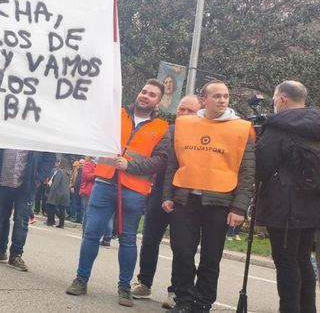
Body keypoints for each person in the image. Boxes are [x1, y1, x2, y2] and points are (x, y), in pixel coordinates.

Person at [66, 79, 171, 307]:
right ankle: (81, 279)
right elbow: (95, 138)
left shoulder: (162, 128)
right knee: (91, 234)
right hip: (104, 182)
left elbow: (161, 162)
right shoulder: (115, 115)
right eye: (144, 91)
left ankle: (124, 287)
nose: (145, 96)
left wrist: (129, 166)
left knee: (128, 239)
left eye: (152, 94)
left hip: (134, 190)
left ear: (158, 102)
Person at [162, 80, 255, 312]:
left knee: (211, 258)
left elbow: (246, 172)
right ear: (204, 100)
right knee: (182, 252)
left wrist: (239, 208)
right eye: (217, 96)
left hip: (220, 202)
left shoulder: (241, 129)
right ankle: (183, 300)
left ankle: (202, 303)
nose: (222, 100)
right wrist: (168, 195)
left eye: (225, 96)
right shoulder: (185, 125)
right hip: (186, 199)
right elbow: (174, 163)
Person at [255, 80, 320, 313]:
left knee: (286, 262)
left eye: (274, 99)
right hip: (313, 204)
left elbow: (261, 166)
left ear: (282, 99)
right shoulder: (315, 124)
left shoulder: (278, 126)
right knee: (303, 259)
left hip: (284, 205)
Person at [130, 94, 201, 307]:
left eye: (190, 110)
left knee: (182, 247)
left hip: (186, 198)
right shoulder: (166, 131)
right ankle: (144, 282)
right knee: (150, 239)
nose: (184, 114)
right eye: (181, 109)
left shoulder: (203, 135)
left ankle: (177, 291)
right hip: (159, 192)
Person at [0, 148, 54, 271]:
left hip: (26, 185)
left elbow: (49, 158)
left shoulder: (38, 135)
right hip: (2, 181)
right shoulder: (8, 131)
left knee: (21, 221)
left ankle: (16, 255)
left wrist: (39, 178)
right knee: (2, 218)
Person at [45, 160, 70, 228]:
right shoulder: (67, 173)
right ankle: (61, 224)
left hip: (58, 192)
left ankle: (50, 221)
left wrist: (50, 193)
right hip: (66, 193)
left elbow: (56, 183)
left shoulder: (59, 172)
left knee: (50, 206)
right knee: (62, 208)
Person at [68, 158, 84, 222]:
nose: (81, 164)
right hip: (75, 189)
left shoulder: (85, 171)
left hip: (82, 190)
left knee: (81, 205)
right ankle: (73, 216)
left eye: (83, 163)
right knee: (74, 203)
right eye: (80, 163)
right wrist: (71, 186)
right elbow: (71, 179)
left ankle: (80, 218)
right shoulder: (76, 170)